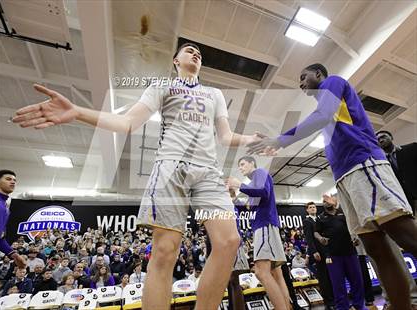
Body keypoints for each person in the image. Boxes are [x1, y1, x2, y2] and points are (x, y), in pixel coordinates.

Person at [13, 42, 261, 309]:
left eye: (198, 52)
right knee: (165, 252)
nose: (195, 53)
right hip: (170, 168)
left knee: (229, 242)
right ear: (175, 61)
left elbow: (224, 136)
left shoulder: (214, 94)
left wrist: (250, 139)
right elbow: (127, 122)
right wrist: (78, 112)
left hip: (209, 172)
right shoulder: (162, 86)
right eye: (188, 50)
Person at [247, 63, 417, 310]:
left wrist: (280, 140)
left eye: (304, 77)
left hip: (364, 165)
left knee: (401, 230)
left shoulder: (332, 82)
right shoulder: (325, 109)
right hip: (346, 178)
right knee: (376, 249)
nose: (301, 83)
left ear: (318, 74)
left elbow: (322, 116)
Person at [227, 156, 290, 310]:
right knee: (276, 273)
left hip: (264, 225)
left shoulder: (259, 173)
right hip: (266, 225)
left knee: (261, 272)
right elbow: (247, 209)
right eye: (239, 166)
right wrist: (234, 197)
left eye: (242, 164)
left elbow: (264, 192)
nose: (241, 168)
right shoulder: (253, 184)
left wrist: (239, 184)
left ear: (252, 163)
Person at [315, 197, 366, 310]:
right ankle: (342, 307)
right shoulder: (320, 217)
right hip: (333, 255)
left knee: (357, 281)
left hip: (350, 252)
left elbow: (352, 227)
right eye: (324, 201)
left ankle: (359, 305)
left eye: (328, 200)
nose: (326, 203)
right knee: (338, 284)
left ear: (334, 201)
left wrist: (355, 238)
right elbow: (316, 232)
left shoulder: (343, 214)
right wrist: (320, 238)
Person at [376, 130, 417, 214]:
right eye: (378, 140)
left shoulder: (412, 148)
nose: (381, 140)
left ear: (391, 137)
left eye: (383, 137)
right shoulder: (382, 164)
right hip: (406, 201)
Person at [303, 202, 334, 310]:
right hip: (318, 253)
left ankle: (334, 298)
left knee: (331, 275)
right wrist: (314, 251)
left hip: (327, 251)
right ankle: (329, 302)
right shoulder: (307, 221)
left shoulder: (320, 219)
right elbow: (309, 238)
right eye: (310, 207)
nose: (313, 209)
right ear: (307, 210)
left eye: (314, 207)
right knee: (323, 277)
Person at [0, 170, 27, 269]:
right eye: (8, 179)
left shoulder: (5, 207)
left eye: (14, 180)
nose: (13, 182)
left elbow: (0, 237)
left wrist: (14, 254)